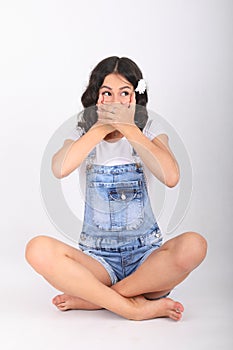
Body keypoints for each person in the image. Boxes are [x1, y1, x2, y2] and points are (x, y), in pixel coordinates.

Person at [25, 56, 207, 321]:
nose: (115, 101)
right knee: (37, 249)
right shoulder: (83, 133)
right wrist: (100, 128)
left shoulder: (150, 131)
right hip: (97, 262)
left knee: (194, 245)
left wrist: (129, 127)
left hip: (146, 263)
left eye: (124, 93)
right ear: (96, 98)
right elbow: (59, 168)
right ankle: (132, 307)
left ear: (135, 97)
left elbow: (171, 177)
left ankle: (98, 299)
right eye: (107, 93)